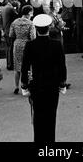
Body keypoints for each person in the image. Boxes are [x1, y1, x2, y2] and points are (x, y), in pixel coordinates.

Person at [21, 14, 67, 142]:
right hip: (52, 85)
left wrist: (24, 84)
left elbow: (25, 67)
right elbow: (62, 66)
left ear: (35, 28)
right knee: (51, 116)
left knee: (38, 117)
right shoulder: (56, 45)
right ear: (49, 27)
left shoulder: (30, 45)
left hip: (37, 84)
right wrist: (62, 84)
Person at [9, 5, 36, 94]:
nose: (32, 14)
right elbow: (33, 37)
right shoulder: (30, 23)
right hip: (27, 45)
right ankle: (26, 85)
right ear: (29, 13)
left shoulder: (15, 22)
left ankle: (16, 86)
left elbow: (11, 35)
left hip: (17, 44)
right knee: (28, 66)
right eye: (32, 12)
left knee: (17, 67)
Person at [2, 0, 19, 70]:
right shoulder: (11, 9)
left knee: (8, 48)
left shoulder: (4, 8)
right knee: (11, 48)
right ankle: (10, 65)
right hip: (10, 31)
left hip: (6, 29)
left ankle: (8, 64)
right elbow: (17, 17)